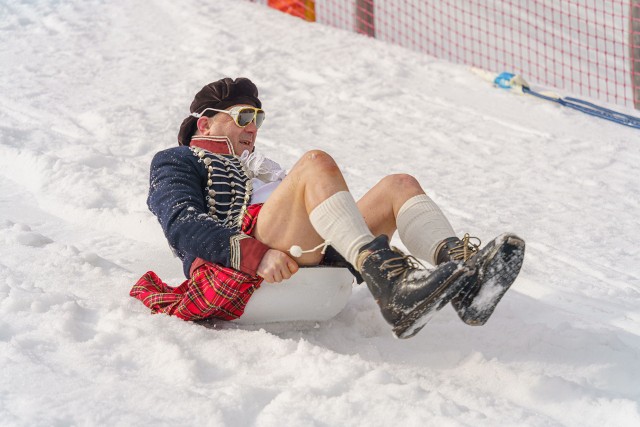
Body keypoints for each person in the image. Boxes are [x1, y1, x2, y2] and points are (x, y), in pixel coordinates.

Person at [131, 77, 525, 339]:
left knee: (397, 185)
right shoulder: (177, 160)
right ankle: (391, 289)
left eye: (259, 118)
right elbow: (182, 222)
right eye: (243, 116)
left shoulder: (262, 172)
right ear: (204, 125)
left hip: (307, 263)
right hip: (241, 272)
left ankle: (465, 279)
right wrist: (257, 254)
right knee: (316, 162)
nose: (254, 126)